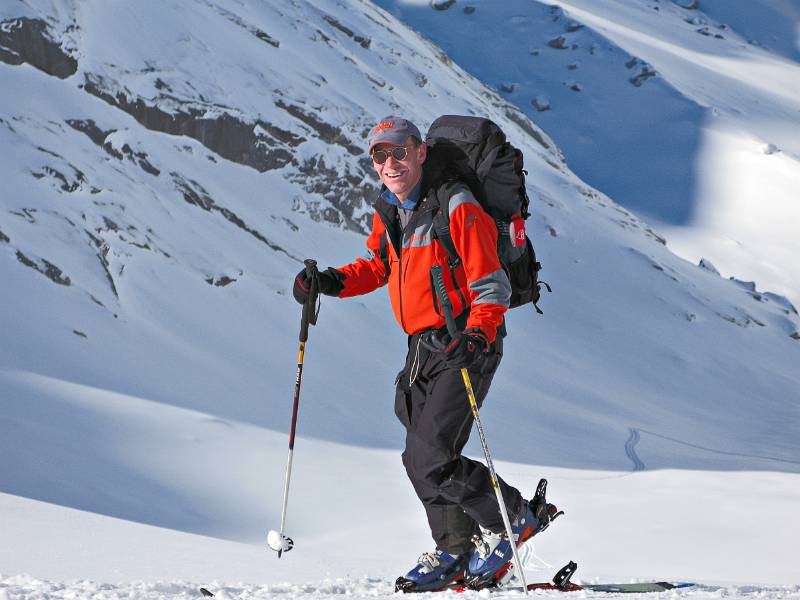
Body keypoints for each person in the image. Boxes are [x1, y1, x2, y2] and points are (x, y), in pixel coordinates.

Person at [292, 116, 557, 591]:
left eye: (398, 151)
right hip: (423, 346)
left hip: (466, 343)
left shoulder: (456, 205)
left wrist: (477, 337)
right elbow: (378, 265)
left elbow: (490, 283)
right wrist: (330, 281)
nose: (389, 163)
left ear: (419, 152)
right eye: (379, 155)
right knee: (419, 459)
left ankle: (513, 517)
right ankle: (455, 549)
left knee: (431, 456)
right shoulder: (392, 210)